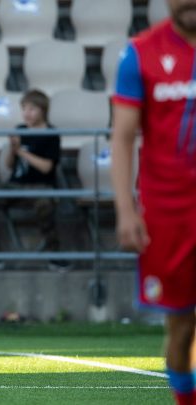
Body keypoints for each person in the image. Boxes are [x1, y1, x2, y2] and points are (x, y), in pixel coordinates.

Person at [111, 1, 196, 403]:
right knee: (181, 326)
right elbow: (123, 137)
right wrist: (126, 210)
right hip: (169, 212)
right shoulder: (141, 52)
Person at [0, 89, 69, 271]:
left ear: (43, 110)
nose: (27, 113)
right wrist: (12, 150)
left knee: (45, 205)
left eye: (32, 109)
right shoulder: (20, 130)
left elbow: (47, 167)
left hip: (41, 185)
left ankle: (54, 255)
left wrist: (21, 151)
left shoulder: (51, 133)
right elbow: (10, 165)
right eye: (24, 108)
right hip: (16, 184)